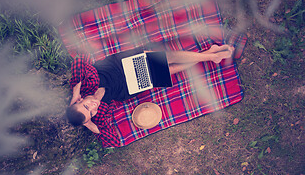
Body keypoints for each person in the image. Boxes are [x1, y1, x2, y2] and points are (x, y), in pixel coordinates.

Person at [66, 44, 234, 136]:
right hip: (131, 86)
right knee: (171, 70)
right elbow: (108, 135)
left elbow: (80, 59)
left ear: (79, 100)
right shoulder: (99, 112)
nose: (94, 107)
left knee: (168, 59)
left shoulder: (86, 83)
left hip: (124, 65)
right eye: (92, 112)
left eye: (87, 106)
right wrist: (88, 122)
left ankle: (212, 56)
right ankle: (211, 54)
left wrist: (75, 91)